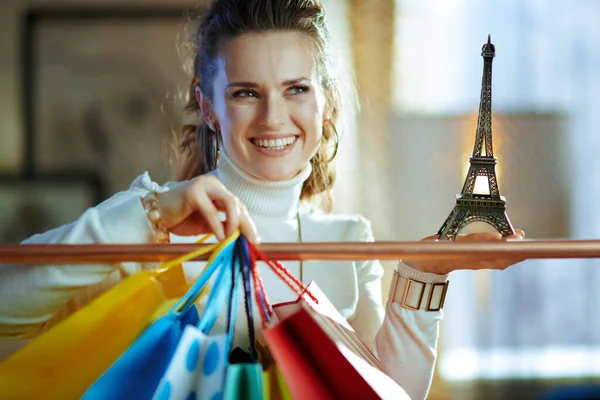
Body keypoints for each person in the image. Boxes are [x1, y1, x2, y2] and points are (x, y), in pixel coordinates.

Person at [0, 0, 525, 398]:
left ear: (326, 100)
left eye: (296, 88)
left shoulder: (346, 240)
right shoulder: (152, 230)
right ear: (208, 106)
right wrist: (152, 215)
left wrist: (425, 273)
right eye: (246, 92)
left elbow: (383, 392)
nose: (273, 118)